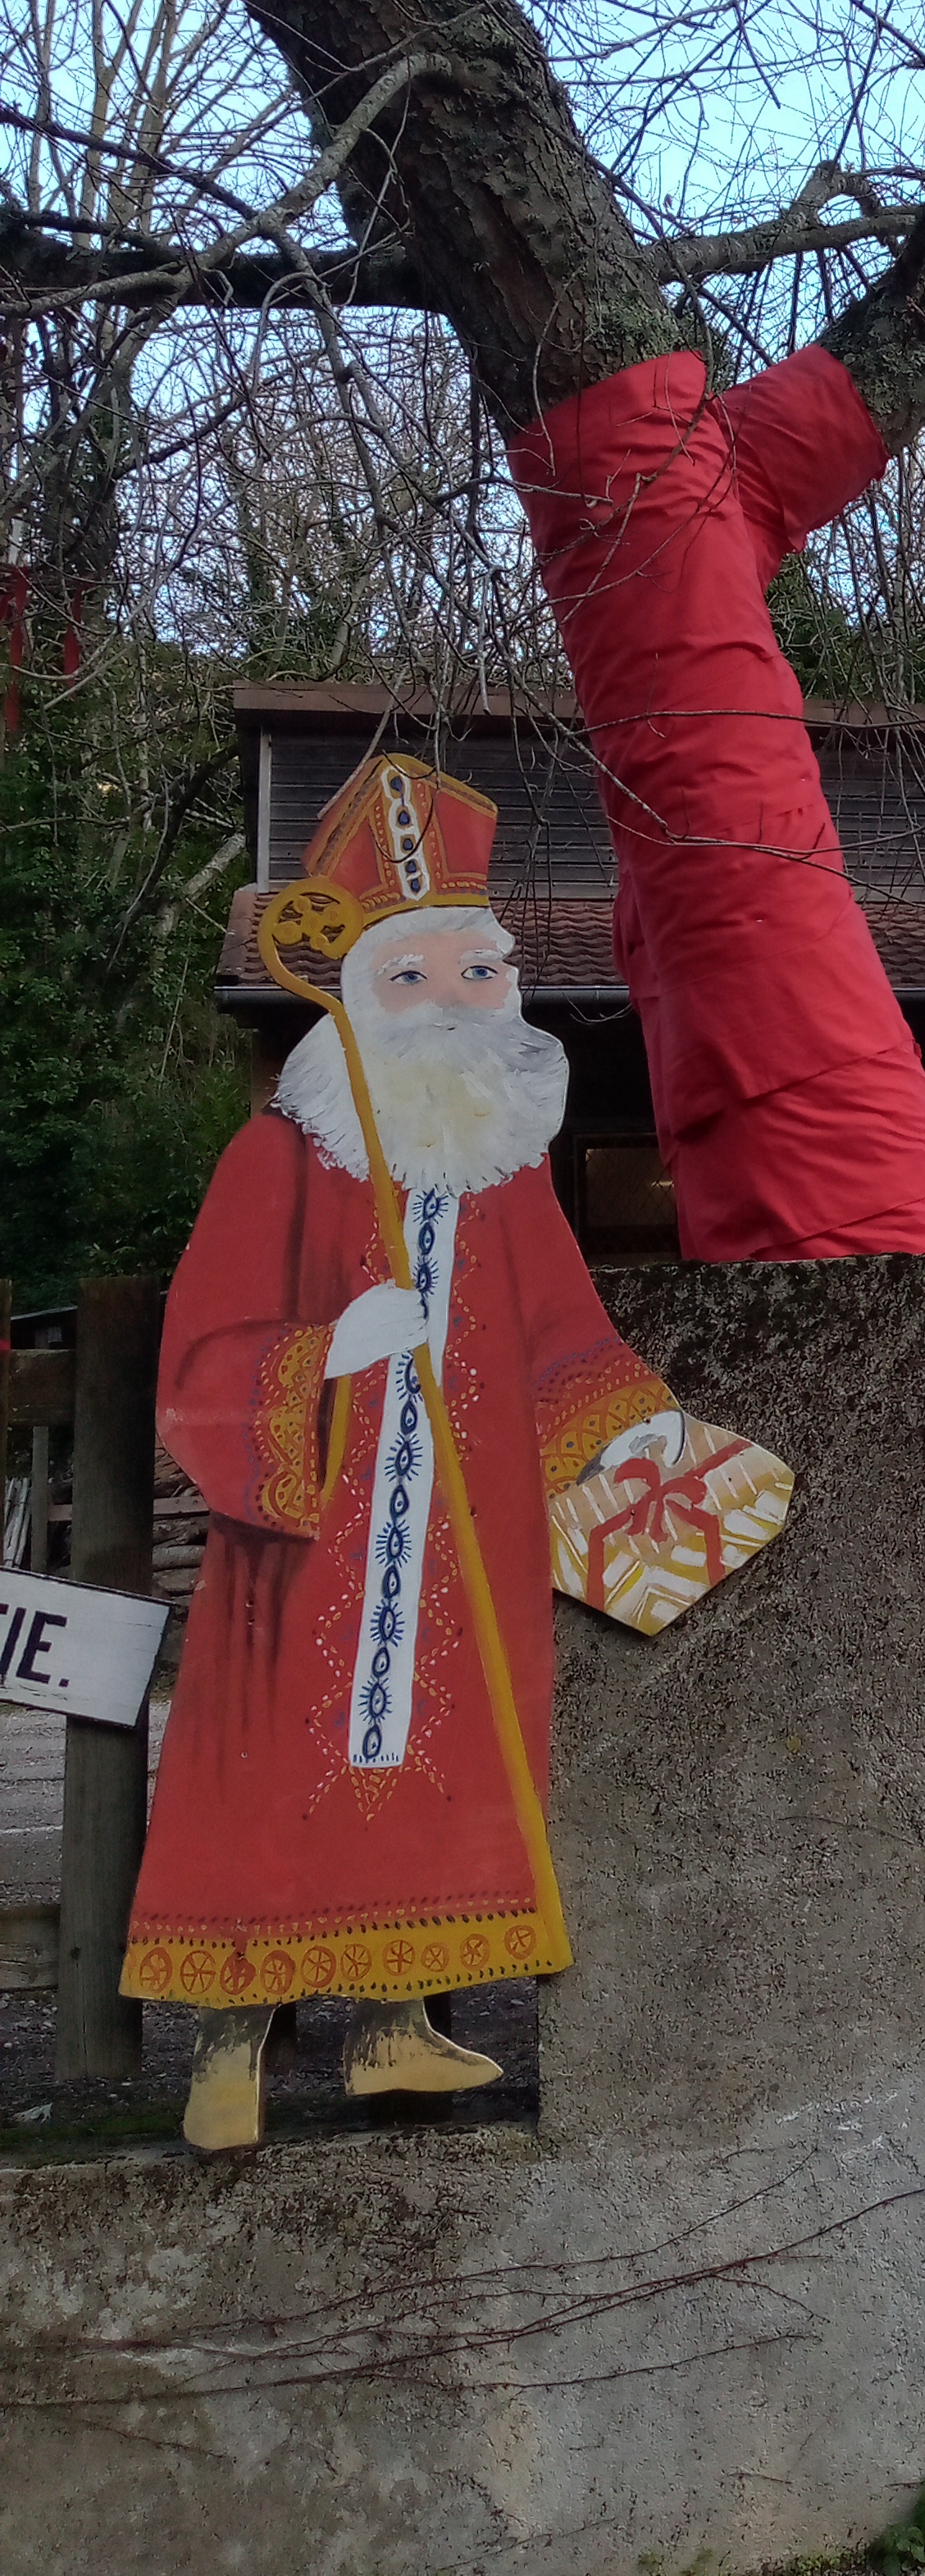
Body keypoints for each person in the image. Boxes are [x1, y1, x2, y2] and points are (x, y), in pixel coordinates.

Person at [124, 756, 691, 2150]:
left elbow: (564, 1340)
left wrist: (649, 1460)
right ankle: (226, 2062)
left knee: (445, 1763)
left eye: (478, 975)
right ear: (356, 996)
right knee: (264, 1786)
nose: (453, 1002)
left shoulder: (506, 1180)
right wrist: (327, 1352)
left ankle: (392, 2030)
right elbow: (201, 1355)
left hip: (461, 1538)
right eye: (415, 977)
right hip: (301, 1547)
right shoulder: (278, 1159)